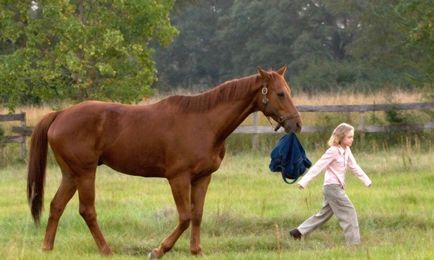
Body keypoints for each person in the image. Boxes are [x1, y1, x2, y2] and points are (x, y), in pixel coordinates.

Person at [289, 123, 371, 245]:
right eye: (349, 137)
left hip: (337, 188)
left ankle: (298, 232)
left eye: (352, 137)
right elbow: (318, 166)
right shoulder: (333, 151)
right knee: (349, 212)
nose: (352, 139)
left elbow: (354, 166)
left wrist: (366, 180)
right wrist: (304, 182)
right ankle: (354, 244)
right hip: (332, 188)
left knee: (324, 214)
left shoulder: (346, 150)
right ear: (341, 137)